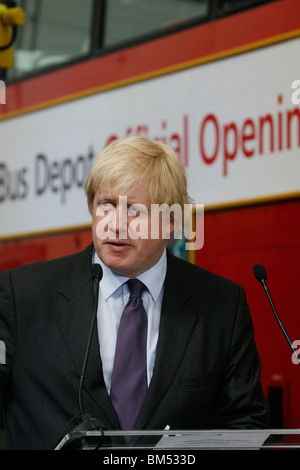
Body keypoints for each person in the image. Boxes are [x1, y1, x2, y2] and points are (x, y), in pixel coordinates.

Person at [0, 135, 270, 450]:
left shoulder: (221, 304)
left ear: (172, 222)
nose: (116, 224)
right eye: (107, 205)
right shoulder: (22, 296)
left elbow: (244, 427)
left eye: (135, 211)